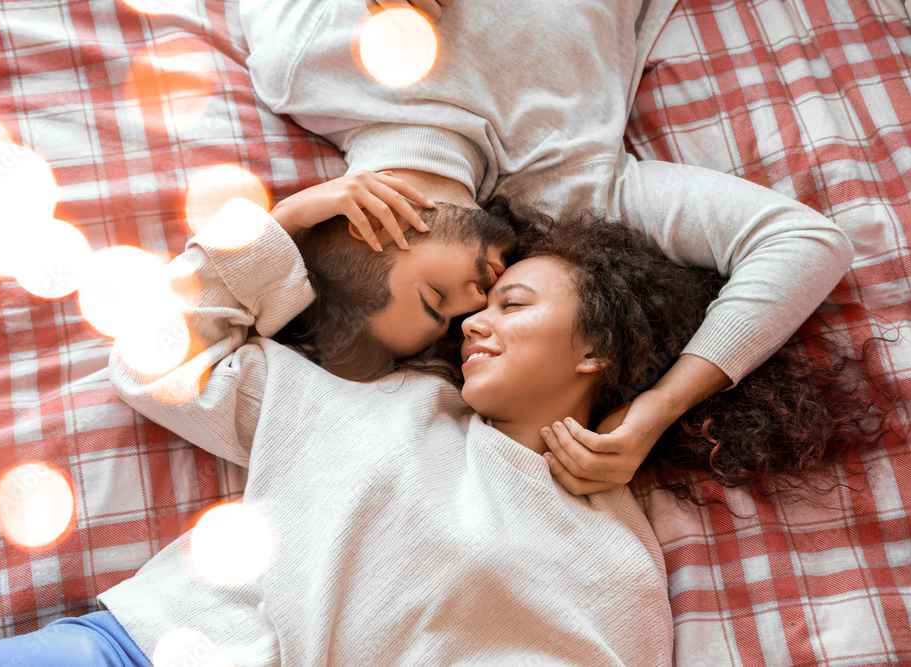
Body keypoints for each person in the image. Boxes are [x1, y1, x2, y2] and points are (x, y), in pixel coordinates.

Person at [0, 179, 675, 666]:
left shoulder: (617, 563)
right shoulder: (378, 403)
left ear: (596, 346)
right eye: (474, 310)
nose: (477, 323)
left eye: (512, 304)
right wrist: (287, 222)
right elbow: (154, 358)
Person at [238, 0, 857, 493]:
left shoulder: (307, 70)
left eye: (436, 297)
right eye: (455, 321)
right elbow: (804, 242)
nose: (474, 306)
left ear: (365, 228)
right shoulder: (573, 199)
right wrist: (657, 408)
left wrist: (283, 225)